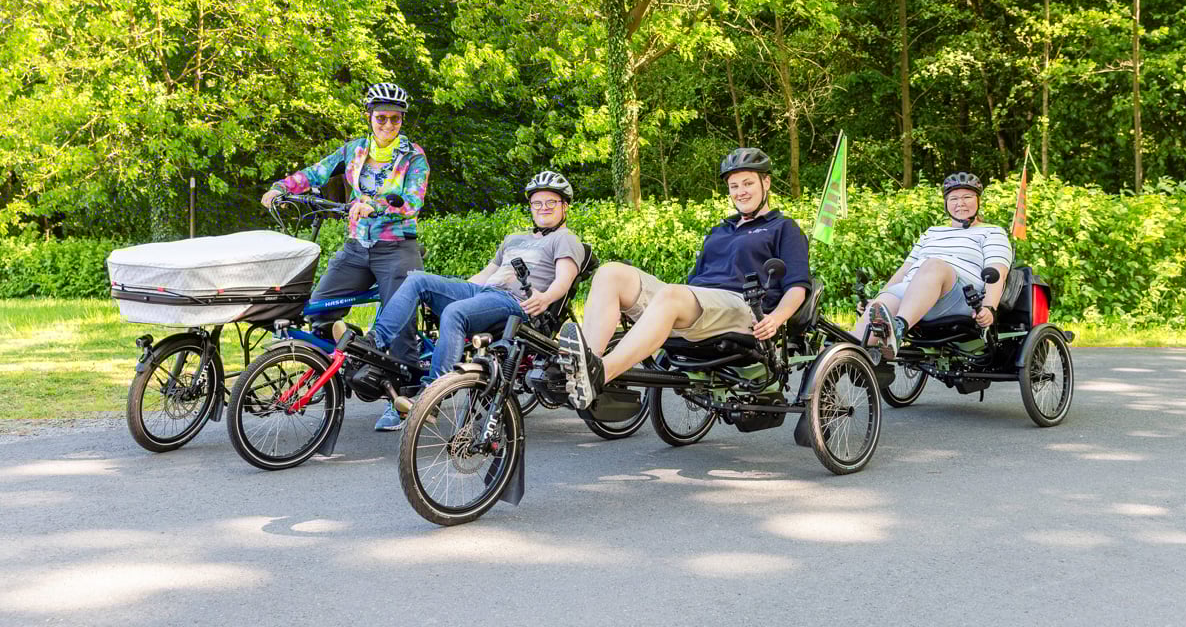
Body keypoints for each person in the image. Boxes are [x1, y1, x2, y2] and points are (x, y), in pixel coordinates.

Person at [552, 148, 811, 411]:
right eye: (734, 186)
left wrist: (776, 319)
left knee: (672, 294)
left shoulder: (783, 228)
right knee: (610, 272)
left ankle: (601, 374)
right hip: (699, 305)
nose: (740, 192)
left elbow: (797, 287)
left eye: (748, 184)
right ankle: (585, 364)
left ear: (766, 182)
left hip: (742, 308)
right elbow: (695, 282)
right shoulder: (720, 231)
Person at [261, 82, 430, 430]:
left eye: (395, 119)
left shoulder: (413, 156)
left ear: (401, 120)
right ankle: (357, 354)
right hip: (357, 248)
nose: (388, 125)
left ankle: (405, 400)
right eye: (381, 118)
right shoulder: (355, 150)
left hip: (396, 248)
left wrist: (377, 205)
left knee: (400, 323)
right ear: (369, 117)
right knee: (318, 308)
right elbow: (316, 173)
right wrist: (281, 187)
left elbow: (414, 200)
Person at [362, 171, 586, 417]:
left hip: (514, 302)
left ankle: (431, 396)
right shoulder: (514, 239)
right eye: (537, 203)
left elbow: (564, 279)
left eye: (551, 202)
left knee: (455, 311)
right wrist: (445, 291)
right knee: (418, 280)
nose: (543, 208)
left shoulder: (565, 239)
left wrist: (545, 297)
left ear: (564, 206)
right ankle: (375, 341)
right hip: (484, 292)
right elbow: (485, 274)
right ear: (530, 206)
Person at [853, 172, 1012, 359]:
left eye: (967, 197)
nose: (960, 203)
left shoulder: (992, 231)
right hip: (913, 290)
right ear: (946, 204)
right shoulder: (932, 232)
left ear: (978, 201)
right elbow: (904, 270)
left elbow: (998, 272)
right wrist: (875, 300)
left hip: (957, 296)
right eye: (953, 199)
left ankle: (898, 328)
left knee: (934, 265)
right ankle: (834, 363)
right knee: (863, 331)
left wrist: (989, 308)